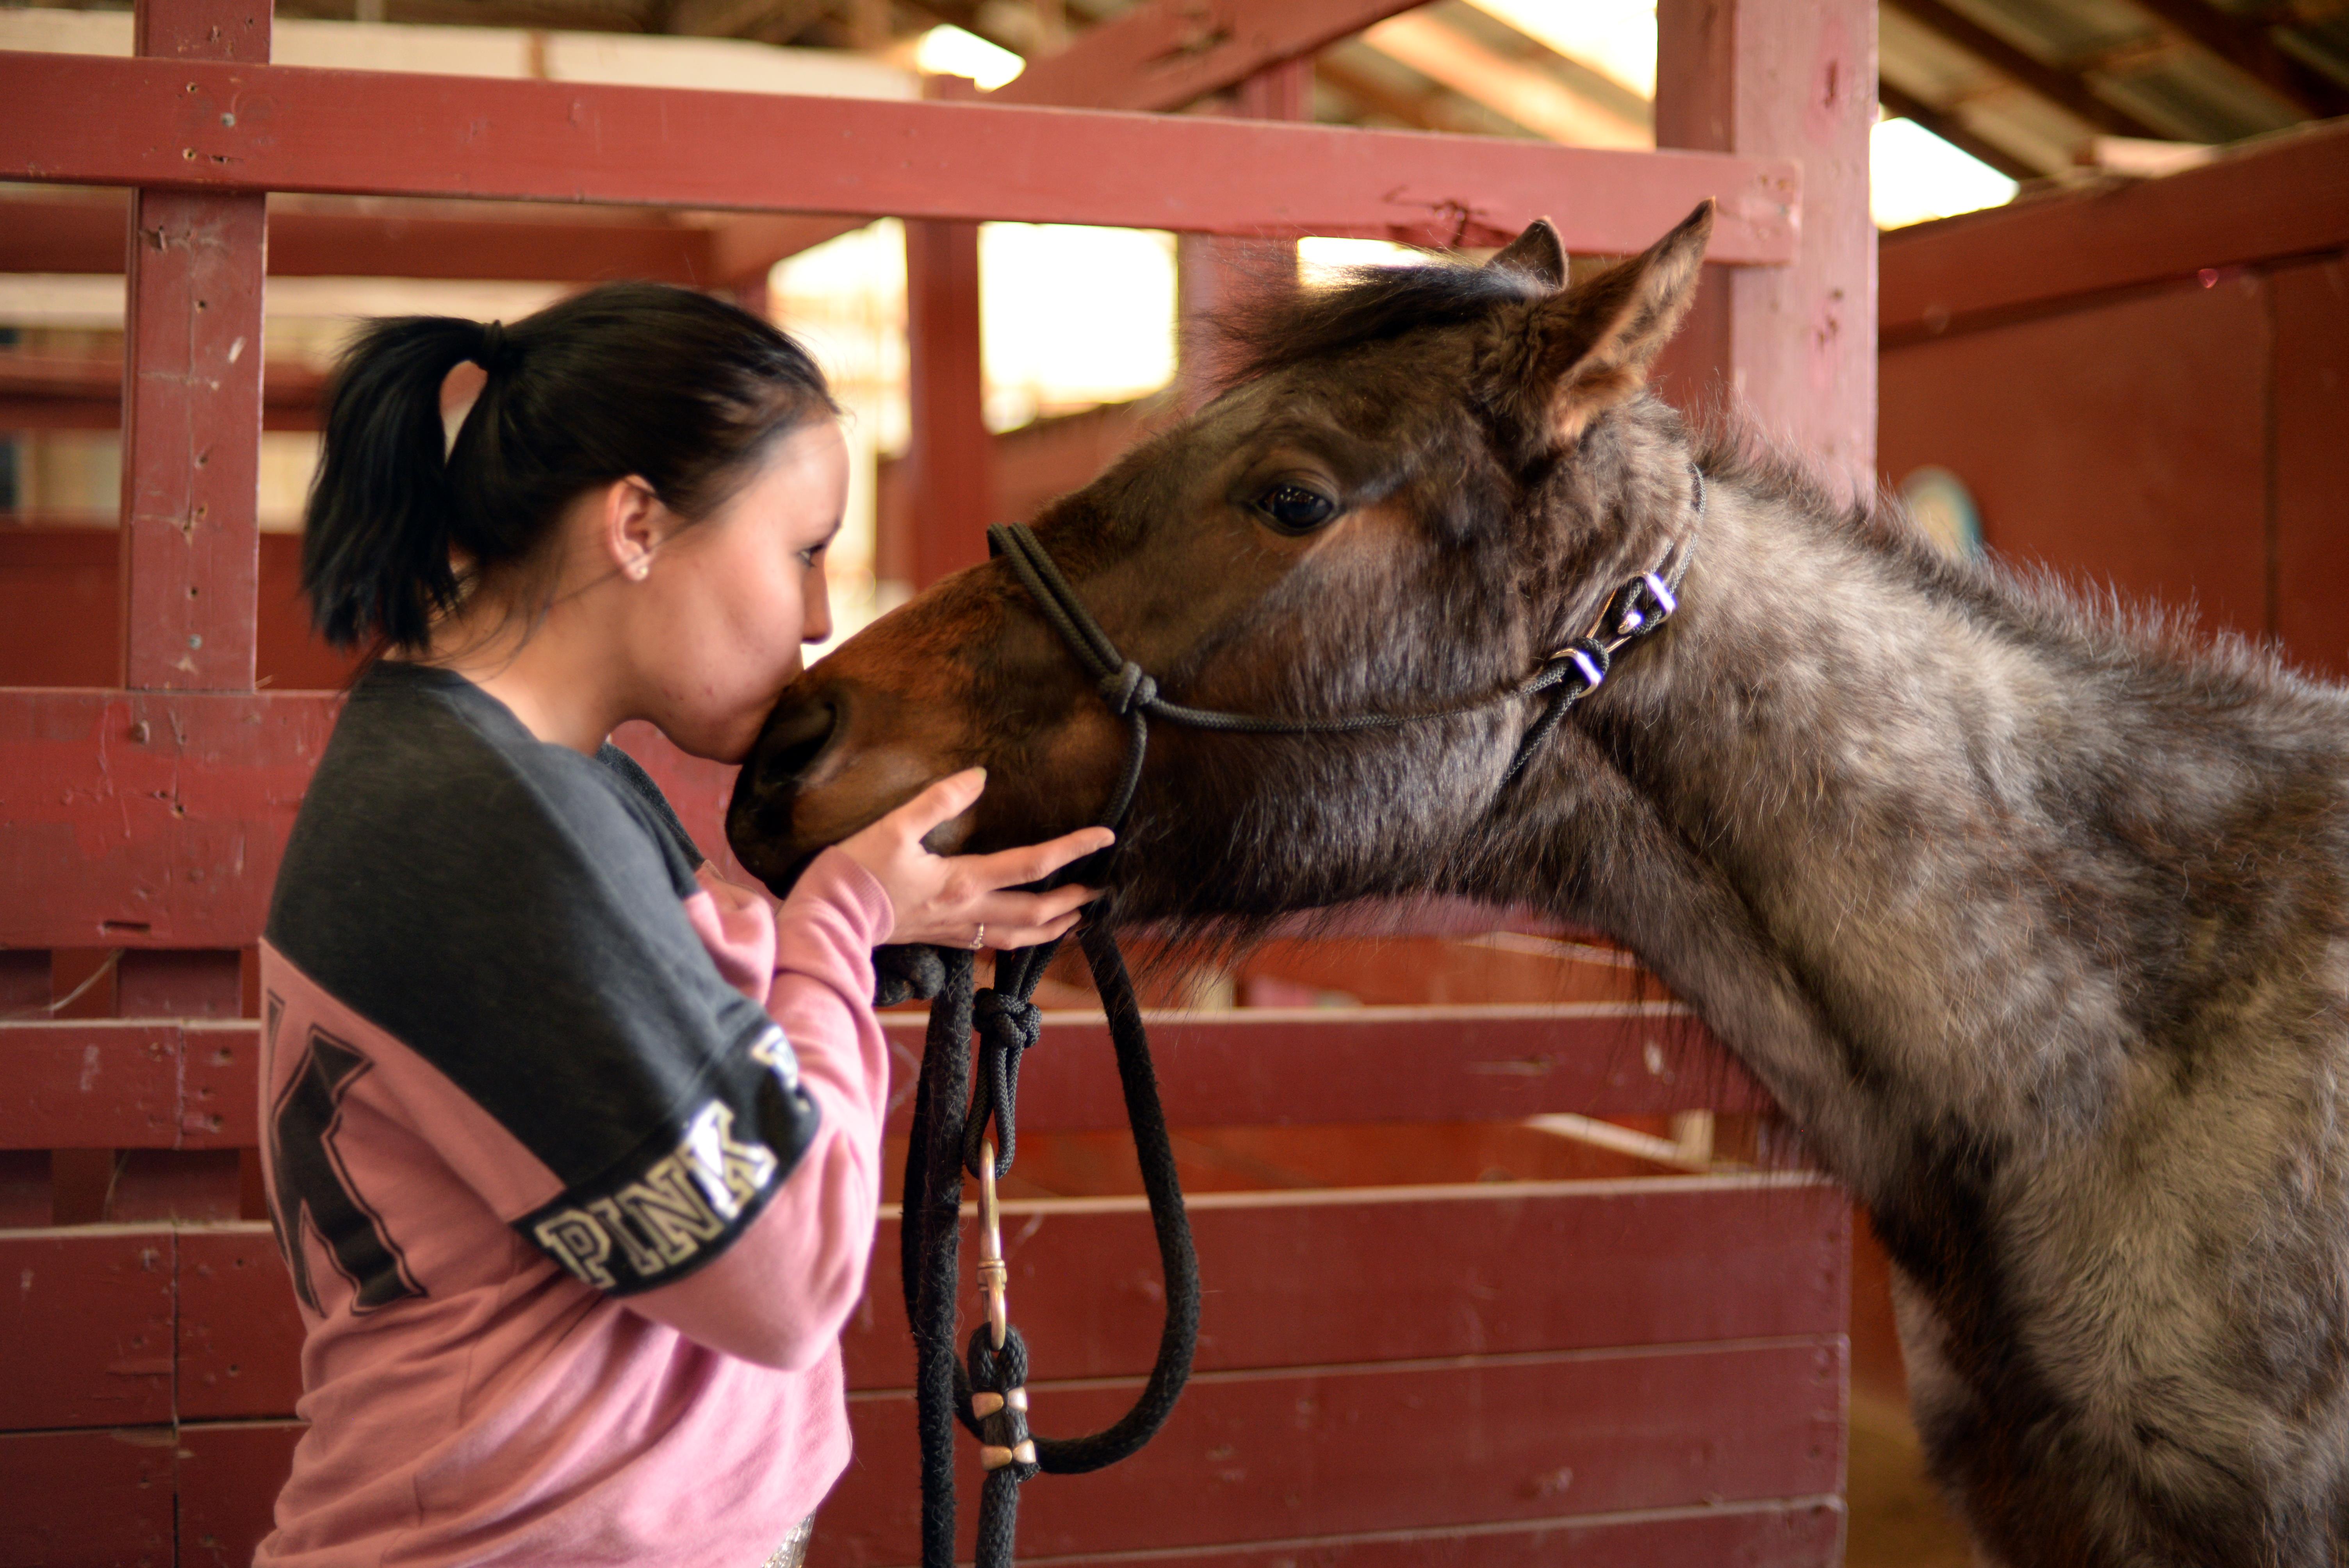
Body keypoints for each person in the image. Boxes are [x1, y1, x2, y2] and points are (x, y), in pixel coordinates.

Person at [255, 283, 1108, 1567]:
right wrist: (843, 920)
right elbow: (784, 1278)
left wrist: (867, 927)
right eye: (804, 551)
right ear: (638, 526)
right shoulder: (493, 830)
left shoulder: (518, 774)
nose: (818, 619)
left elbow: (681, 1041)